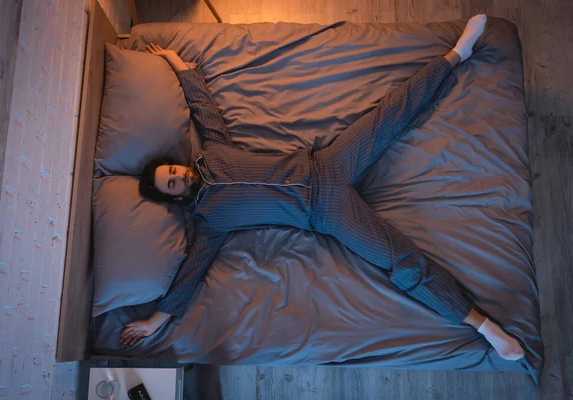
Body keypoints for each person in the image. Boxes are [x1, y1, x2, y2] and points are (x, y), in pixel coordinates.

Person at [120, 15, 525, 361]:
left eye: (173, 169)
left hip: (328, 162)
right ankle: (483, 325)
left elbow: (203, 106)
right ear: (172, 196)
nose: (180, 176)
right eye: (172, 183)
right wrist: (158, 318)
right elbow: (191, 273)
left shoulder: (213, 151)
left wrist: (176, 63)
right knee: (401, 262)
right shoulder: (209, 222)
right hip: (324, 212)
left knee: (390, 115)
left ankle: (456, 56)